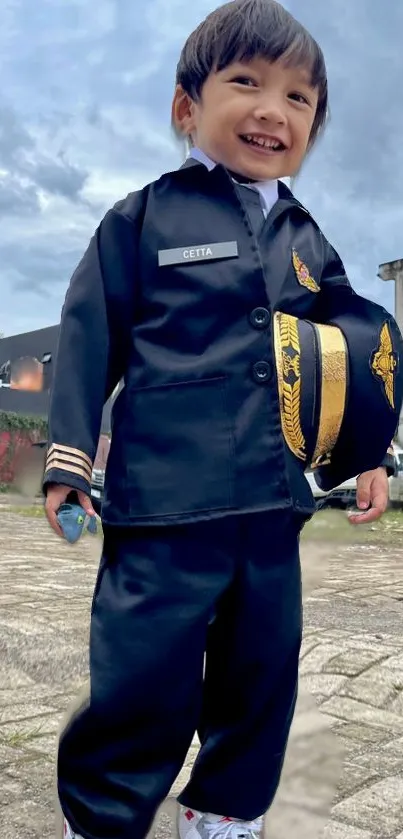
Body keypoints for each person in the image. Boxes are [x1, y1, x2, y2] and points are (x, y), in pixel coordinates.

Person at [43, 1, 395, 837]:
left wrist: (366, 447)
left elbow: (351, 342)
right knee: (141, 678)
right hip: (164, 505)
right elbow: (87, 337)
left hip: (272, 505)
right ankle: (100, 817)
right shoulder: (141, 219)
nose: (273, 109)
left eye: (299, 98)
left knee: (260, 677)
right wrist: (66, 461)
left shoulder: (307, 239)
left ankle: (227, 812)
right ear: (185, 107)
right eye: (246, 83)